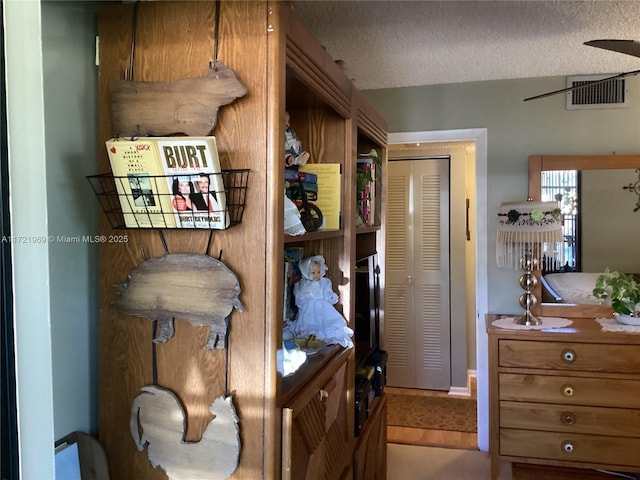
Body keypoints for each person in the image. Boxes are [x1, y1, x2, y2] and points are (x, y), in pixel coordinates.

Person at [292, 255, 354, 348]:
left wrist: (330, 296)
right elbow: (299, 298)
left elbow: (327, 292)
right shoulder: (301, 285)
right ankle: (312, 337)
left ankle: (328, 335)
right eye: (313, 272)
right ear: (305, 273)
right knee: (308, 323)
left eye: (318, 272)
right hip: (309, 309)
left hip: (323, 307)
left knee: (328, 321)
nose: (317, 275)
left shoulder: (324, 282)